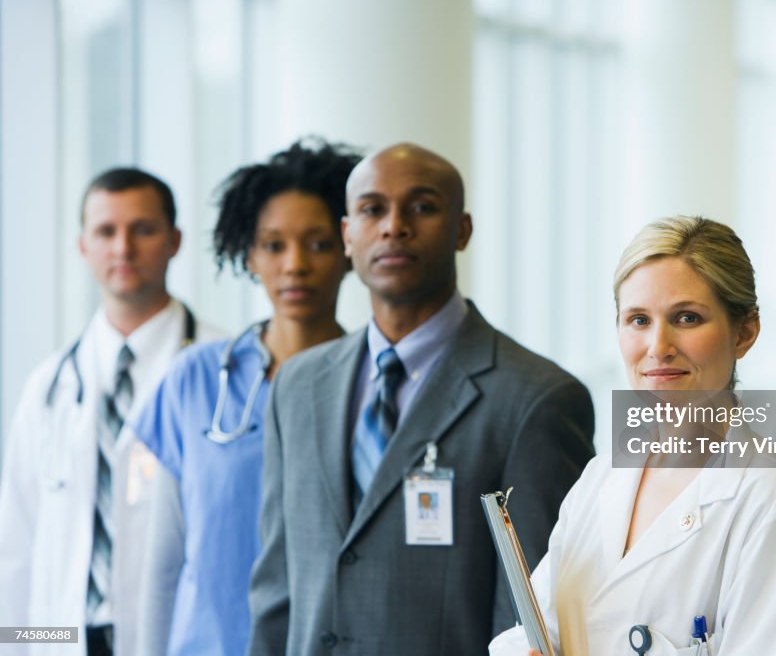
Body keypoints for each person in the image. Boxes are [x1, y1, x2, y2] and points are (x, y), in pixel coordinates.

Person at [247, 142, 596, 656]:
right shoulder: (298, 387)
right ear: (347, 235)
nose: (394, 226)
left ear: (462, 230)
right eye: (372, 210)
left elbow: (533, 620)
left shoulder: (536, 399)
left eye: (422, 207)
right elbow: (277, 588)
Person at [490, 216, 776, 656]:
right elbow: (539, 626)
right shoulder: (602, 477)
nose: (658, 346)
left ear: (745, 332)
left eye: (687, 318)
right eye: (637, 320)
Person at [130, 140, 361, 656]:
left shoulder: (374, 386)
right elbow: (164, 561)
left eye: (318, 243)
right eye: (274, 245)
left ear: (348, 248)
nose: (295, 265)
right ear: (249, 255)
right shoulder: (195, 380)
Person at [0, 168, 221, 656]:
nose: (123, 248)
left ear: (175, 241)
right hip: (64, 640)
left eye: (143, 230)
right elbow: (15, 550)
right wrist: (19, 646)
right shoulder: (48, 386)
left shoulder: (222, 367)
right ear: (83, 246)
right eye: (105, 232)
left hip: (177, 639)